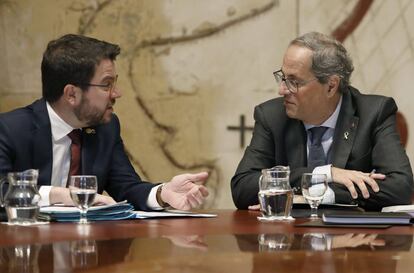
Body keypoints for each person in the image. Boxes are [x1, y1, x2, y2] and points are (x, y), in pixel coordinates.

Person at [0, 34, 209, 211]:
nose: (117, 93)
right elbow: (2, 192)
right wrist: (60, 195)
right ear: (71, 94)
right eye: (106, 85)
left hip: (85, 252)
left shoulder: (105, 128)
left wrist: (163, 193)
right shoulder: (10, 130)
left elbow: (126, 187)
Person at [231, 32, 413, 211]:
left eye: (294, 81)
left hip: (353, 238)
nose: (282, 90)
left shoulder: (374, 113)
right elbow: (243, 188)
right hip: (290, 237)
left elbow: (400, 188)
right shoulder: (272, 116)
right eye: (283, 77)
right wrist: (325, 174)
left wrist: (323, 194)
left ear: (331, 86)